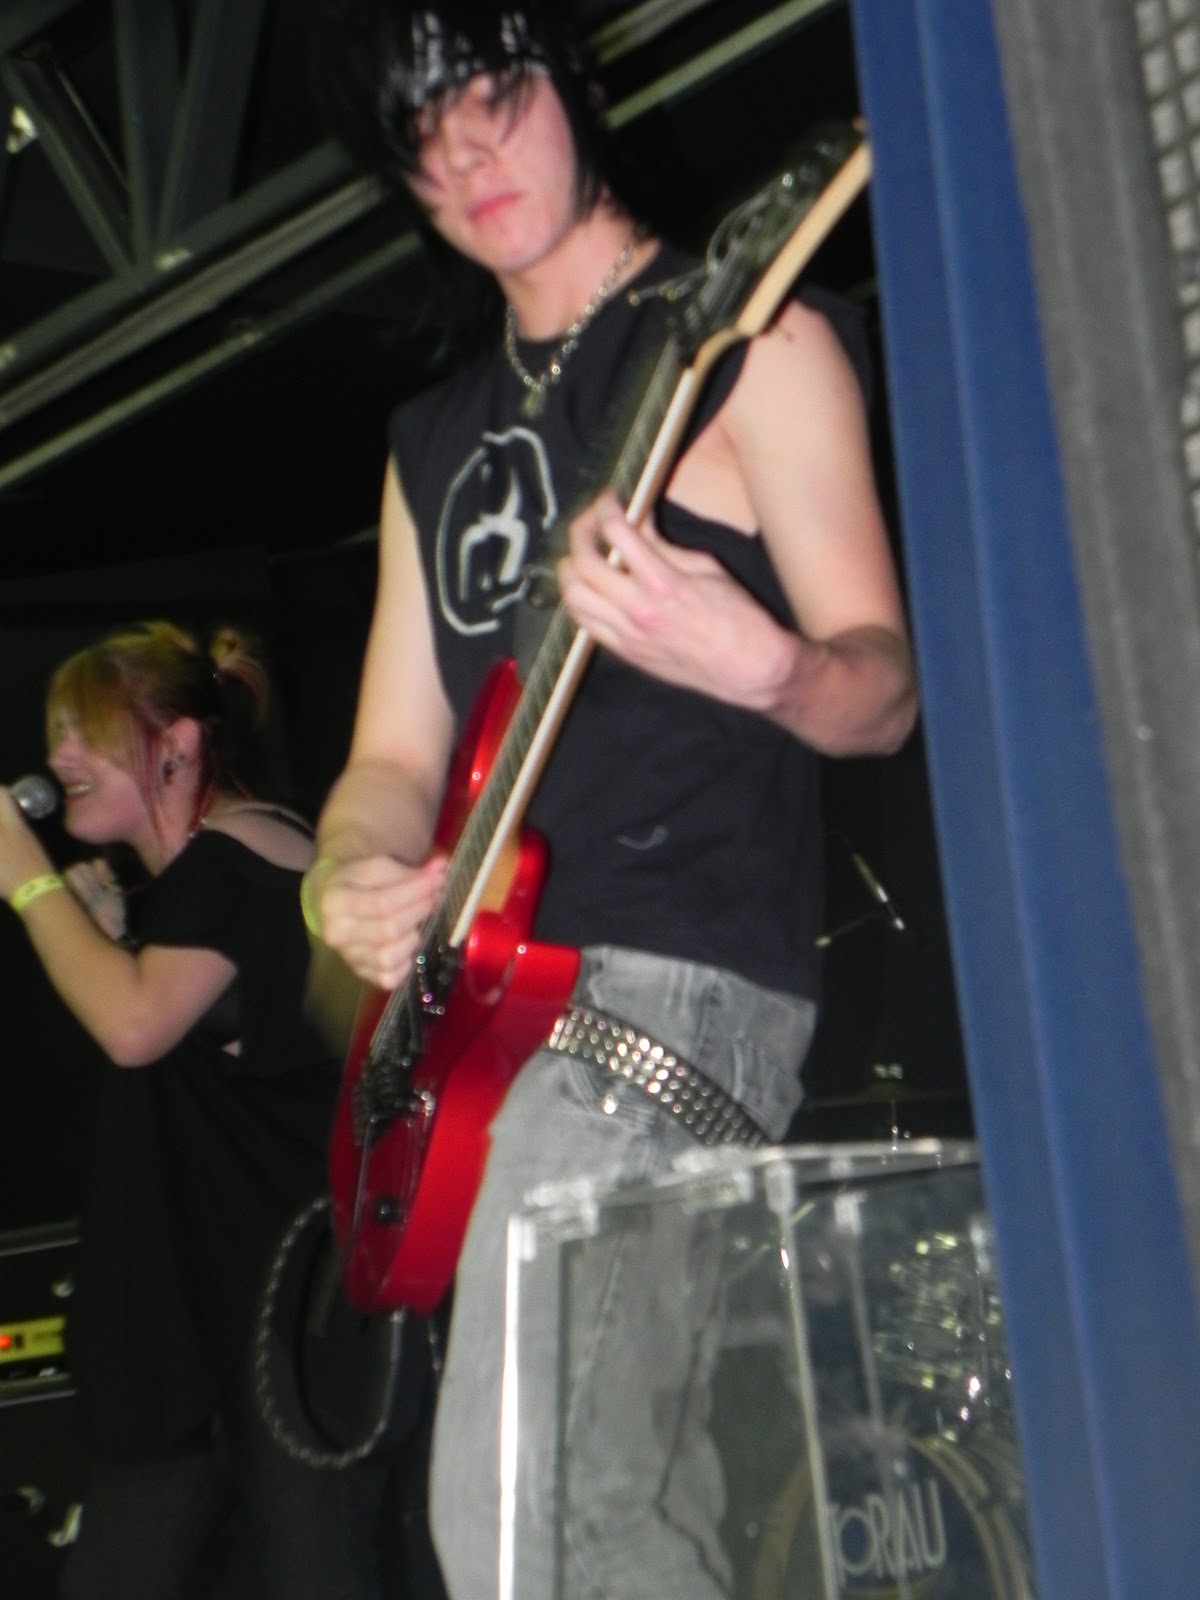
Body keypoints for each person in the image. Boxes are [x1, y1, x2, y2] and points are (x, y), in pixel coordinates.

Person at [305, 4, 919, 1597]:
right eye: (420, 137)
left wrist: (767, 668)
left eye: (492, 97)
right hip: (489, 1027)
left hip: (670, 988)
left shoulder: (750, 339)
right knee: (613, 1511)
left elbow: (884, 689)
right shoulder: (429, 445)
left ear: (571, 81)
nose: (466, 155)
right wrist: (345, 876)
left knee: (522, 1524)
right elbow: (390, 764)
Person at [0, 621, 397, 1600]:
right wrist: (111, 931)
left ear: (175, 744)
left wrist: (26, 879)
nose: (59, 758)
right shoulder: (213, 872)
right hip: (214, 1323)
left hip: (278, 1323)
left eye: (86, 733)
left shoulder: (234, 855)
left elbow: (135, 1025)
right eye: (57, 734)